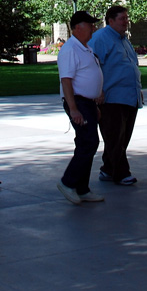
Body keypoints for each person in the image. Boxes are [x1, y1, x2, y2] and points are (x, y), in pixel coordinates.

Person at [89, 4, 143, 186]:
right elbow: (92, 67)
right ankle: (121, 173)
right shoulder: (100, 39)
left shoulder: (124, 40)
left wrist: (138, 91)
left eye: (126, 18)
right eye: (122, 19)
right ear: (110, 21)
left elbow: (131, 66)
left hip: (129, 97)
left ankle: (107, 169)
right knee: (114, 137)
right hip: (111, 98)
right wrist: (98, 91)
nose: (126, 22)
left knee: (122, 137)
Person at [56, 11, 104, 205]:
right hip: (78, 102)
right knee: (89, 142)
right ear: (76, 27)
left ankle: (82, 189)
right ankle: (68, 182)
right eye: (89, 24)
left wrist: (95, 99)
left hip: (88, 103)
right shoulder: (70, 50)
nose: (93, 27)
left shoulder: (85, 48)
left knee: (86, 143)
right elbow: (66, 80)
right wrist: (74, 108)